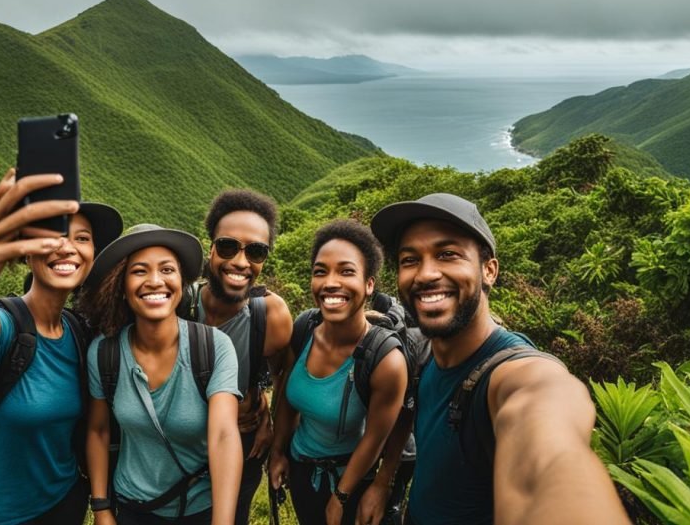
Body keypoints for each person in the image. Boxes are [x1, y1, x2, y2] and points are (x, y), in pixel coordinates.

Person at [369, 193, 629, 524]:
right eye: (410, 260)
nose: (425, 274)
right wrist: (383, 483)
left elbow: (542, 434)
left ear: (489, 270)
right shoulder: (427, 354)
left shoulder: (514, 373)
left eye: (447, 254)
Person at [0, 169, 123, 525]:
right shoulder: (1, 323)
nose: (67, 247)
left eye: (82, 238)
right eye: (52, 236)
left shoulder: (77, 330)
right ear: (26, 252)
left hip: (64, 500)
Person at [79, 224, 243, 525]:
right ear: (122, 287)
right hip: (132, 508)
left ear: (181, 283)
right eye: (139, 271)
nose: (155, 281)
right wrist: (101, 507)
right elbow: (98, 431)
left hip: (199, 507)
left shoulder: (213, 347)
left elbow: (223, 435)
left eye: (167, 270)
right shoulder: (105, 353)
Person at [269, 219, 408, 525]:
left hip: (351, 478)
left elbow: (374, 438)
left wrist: (342, 496)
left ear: (369, 284)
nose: (331, 283)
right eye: (321, 272)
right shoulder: (304, 327)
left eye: (346, 271)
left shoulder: (385, 360)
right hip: (302, 468)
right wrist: (278, 452)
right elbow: (287, 399)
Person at [192, 190, 293, 525]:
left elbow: (283, 379)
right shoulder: (178, 304)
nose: (240, 261)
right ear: (209, 248)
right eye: (227, 246)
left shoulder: (271, 316)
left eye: (256, 251)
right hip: (178, 447)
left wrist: (274, 439)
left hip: (243, 445)